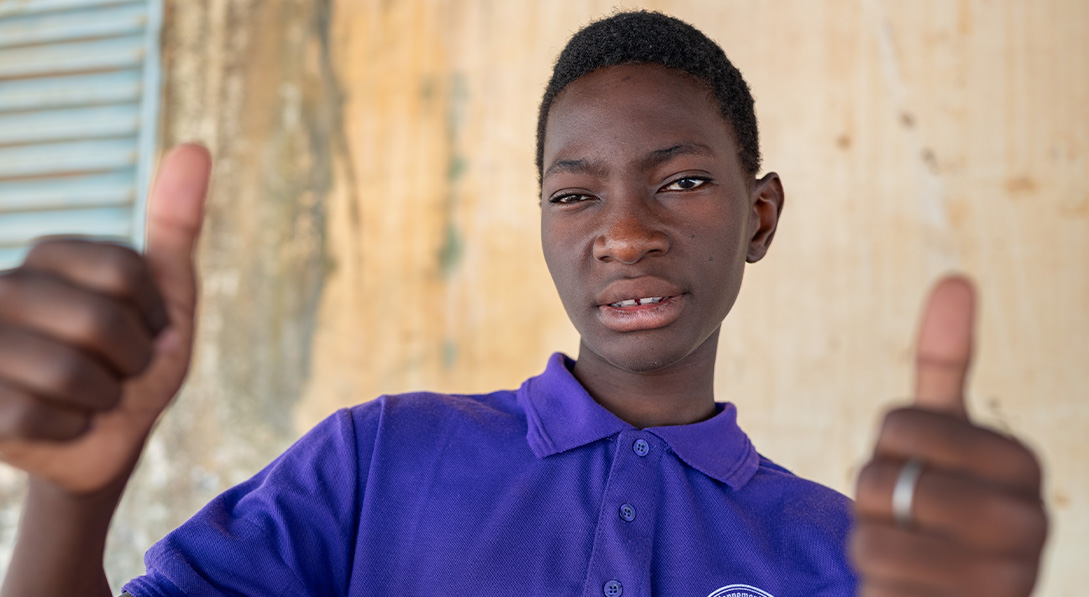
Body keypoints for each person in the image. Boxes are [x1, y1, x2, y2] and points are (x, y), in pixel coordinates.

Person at [0, 11, 1046, 597]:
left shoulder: (846, 551)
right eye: (573, 193)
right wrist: (69, 499)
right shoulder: (380, 460)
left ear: (760, 217)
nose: (624, 230)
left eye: (681, 181)